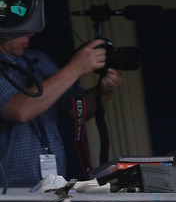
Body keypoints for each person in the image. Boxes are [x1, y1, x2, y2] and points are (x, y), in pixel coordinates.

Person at [0, 34, 124, 187]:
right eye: (22, 28)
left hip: (53, 184)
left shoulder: (38, 59)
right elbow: (19, 110)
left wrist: (103, 91)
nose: (30, 33)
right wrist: (75, 68)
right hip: (7, 191)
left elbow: (76, 111)